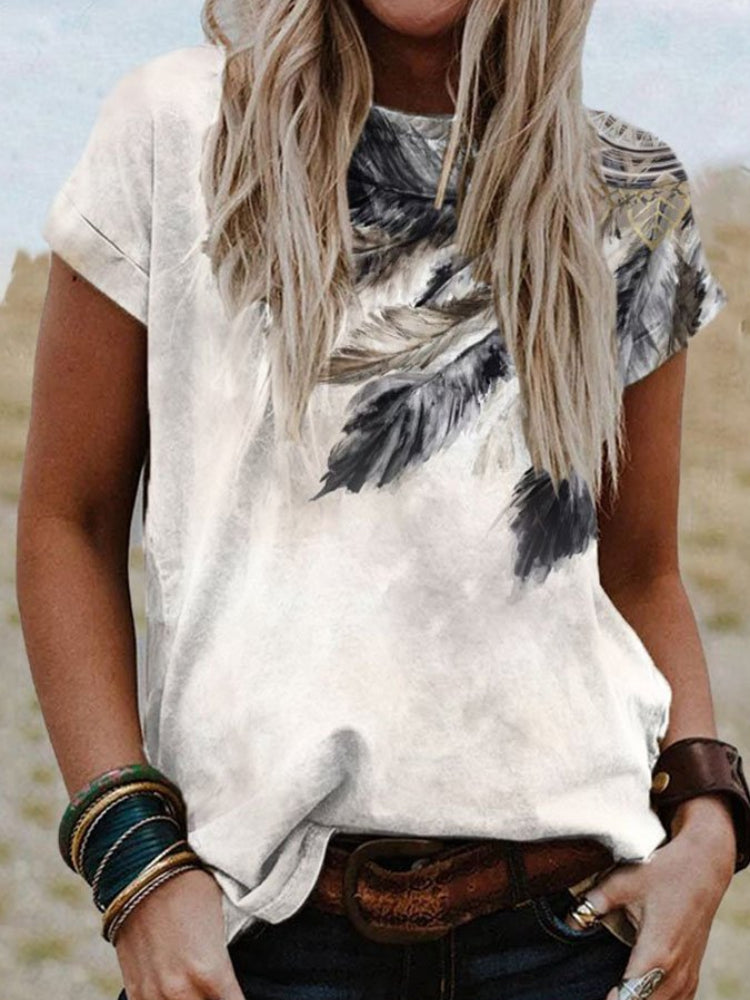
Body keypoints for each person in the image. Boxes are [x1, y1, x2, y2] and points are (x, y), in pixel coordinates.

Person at [15, 2, 750, 999]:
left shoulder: (631, 193)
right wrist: (135, 866)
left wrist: (709, 820)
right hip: (262, 942)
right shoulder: (172, 131)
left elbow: (640, 572)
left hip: (569, 936)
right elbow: (72, 523)